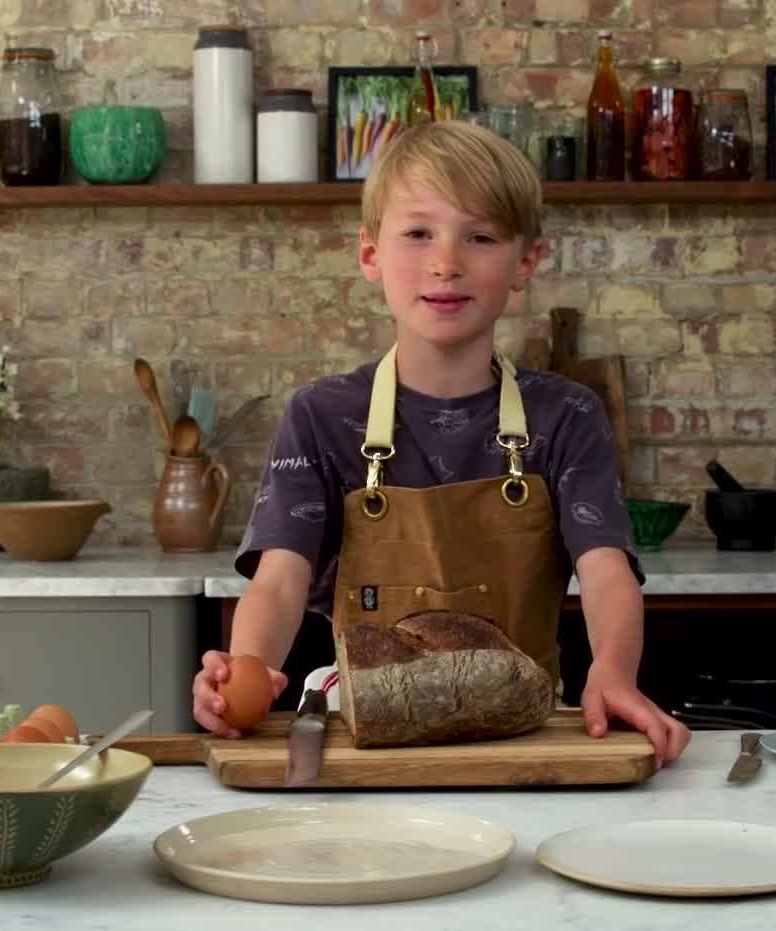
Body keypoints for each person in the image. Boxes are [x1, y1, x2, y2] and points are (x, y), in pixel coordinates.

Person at [190, 121, 690, 766]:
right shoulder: (321, 415)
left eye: (480, 237)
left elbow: (605, 570)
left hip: (525, 741)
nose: (446, 262)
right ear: (370, 254)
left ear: (525, 261)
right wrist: (247, 672)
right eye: (418, 233)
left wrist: (614, 674)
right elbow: (282, 580)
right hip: (364, 743)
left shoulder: (566, 414)